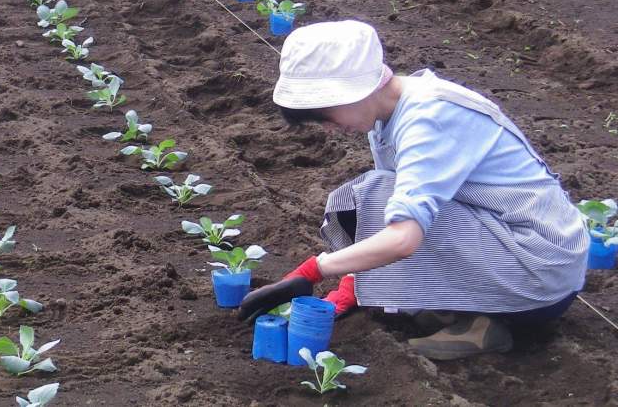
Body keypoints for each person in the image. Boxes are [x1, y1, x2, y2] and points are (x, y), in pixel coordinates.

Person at [239, 20, 588, 361]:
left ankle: (482, 323)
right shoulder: (389, 114)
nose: (329, 128)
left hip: (539, 271)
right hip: (505, 245)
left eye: (326, 115)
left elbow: (403, 239)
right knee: (361, 199)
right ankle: (451, 306)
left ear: (356, 92)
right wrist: (350, 286)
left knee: (377, 198)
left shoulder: (428, 118)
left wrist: (313, 271)